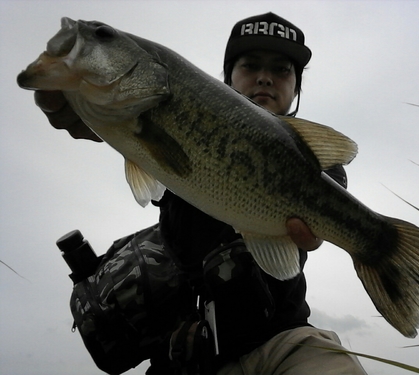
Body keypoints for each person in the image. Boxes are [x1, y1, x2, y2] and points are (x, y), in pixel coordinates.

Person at [35, 12, 367, 375]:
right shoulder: (169, 111)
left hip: (283, 340)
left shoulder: (317, 165)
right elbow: (134, 130)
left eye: (283, 70)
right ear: (227, 78)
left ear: (296, 88)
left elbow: (309, 237)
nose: (265, 77)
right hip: (188, 357)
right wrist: (92, 110)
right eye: (250, 65)